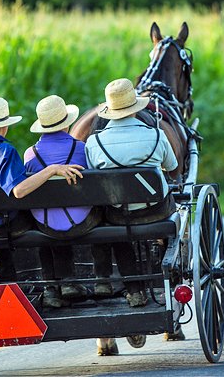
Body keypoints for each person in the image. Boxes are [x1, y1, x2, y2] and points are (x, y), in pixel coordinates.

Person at [0, 96, 83, 283]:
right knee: (38, 216)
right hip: (10, 224)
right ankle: (53, 281)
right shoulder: (5, 151)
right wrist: (52, 169)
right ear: (5, 125)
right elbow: (19, 191)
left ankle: (9, 281)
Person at [85, 78, 178, 308]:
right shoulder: (156, 135)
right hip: (156, 211)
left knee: (116, 228)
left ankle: (135, 291)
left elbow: (92, 179)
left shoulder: (94, 142)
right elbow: (172, 167)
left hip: (119, 214)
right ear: (136, 107)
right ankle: (167, 270)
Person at [23, 95, 103, 308]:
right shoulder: (81, 148)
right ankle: (101, 278)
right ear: (67, 123)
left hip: (46, 223)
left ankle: (53, 287)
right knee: (100, 211)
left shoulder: (30, 155)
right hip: (81, 221)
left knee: (44, 221)